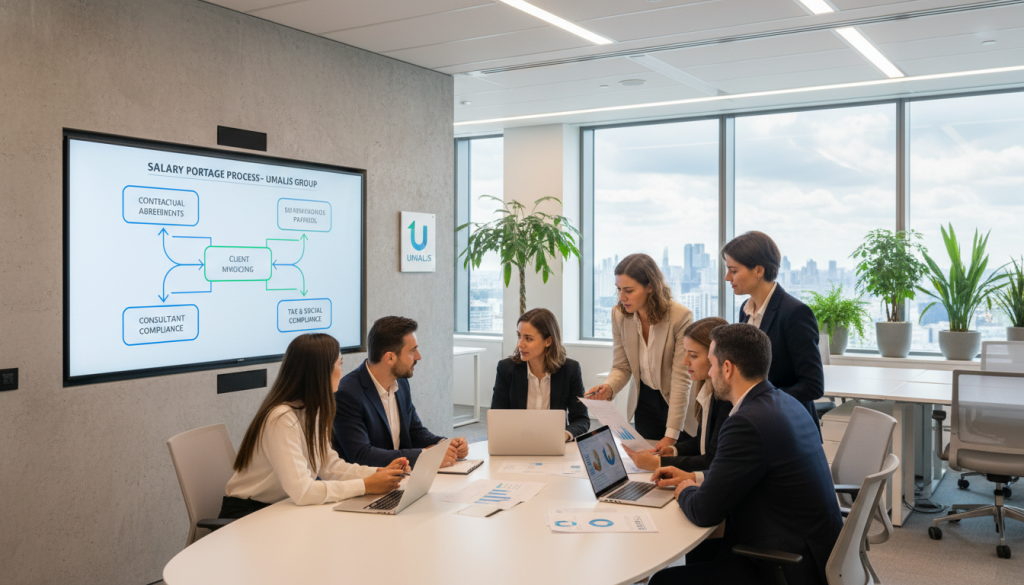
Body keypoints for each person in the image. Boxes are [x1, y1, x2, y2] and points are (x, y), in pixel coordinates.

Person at [649, 324, 842, 585]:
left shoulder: (745, 422)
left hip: (785, 565)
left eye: (713, 363)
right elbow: (750, 470)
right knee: (703, 550)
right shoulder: (784, 402)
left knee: (664, 581)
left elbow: (704, 511)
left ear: (727, 368)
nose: (711, 371)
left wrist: (684, 489)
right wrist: (699, 478)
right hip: (816, 551)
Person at [220, 333, 409, 519]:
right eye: (339, 364)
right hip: (248, 515)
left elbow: (329, 466)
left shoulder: (312, 410)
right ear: (322, 371)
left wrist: (379, 474)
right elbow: (303, 491)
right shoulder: (281, 418)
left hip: (282, 508)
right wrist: (366, 485)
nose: (342, 371)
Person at [586, 253, 694, 451]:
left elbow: (681, 378)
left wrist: (671, 435)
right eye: (618, 289)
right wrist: (609, 387)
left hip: (678, 404)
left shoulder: (680, 316)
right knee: (645, 465)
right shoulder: (619, 315)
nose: (621, 297)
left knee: (677, 465)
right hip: (644, 401)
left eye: (628, 290)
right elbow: (622, 366)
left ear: (650, 287)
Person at [723, 231, 825, 435]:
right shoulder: (746, 309)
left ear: (759, 270)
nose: (727, 278)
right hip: (758, 422)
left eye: (733, 271)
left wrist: (760, 400)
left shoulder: (795, 313)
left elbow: (813, 386)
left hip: (789, 426)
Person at [333, 316, 468, 468]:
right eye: (413, 350)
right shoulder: (347, 394)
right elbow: (361, 455)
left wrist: (445, 445)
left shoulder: (401, 383)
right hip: (368, 485)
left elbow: (414, 432)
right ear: (390, 357)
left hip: (402, 479)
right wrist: (424, 456)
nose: (418, 356)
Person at [622, 317, 731, 477]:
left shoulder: (728, 401)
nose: (685, 361)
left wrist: (657, 463)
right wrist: (674, 451)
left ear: (715, 357)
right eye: (685, 353)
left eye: (693, 355)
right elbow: (702, 443)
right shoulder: (708, 389)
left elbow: (712, 460)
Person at [490, 308, 590, 441]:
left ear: (548, 341)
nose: (520, 344)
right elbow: (497, 417)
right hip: (516, 442)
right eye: (519, 336)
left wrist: (564, 435)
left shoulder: (570, 370)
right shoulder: (506, 369)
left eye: (528, 339)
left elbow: (581, 419)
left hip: (554, 443)